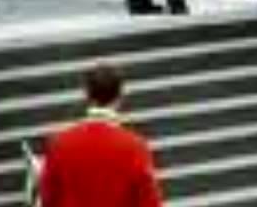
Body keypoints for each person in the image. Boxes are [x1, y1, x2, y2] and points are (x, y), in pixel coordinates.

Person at [38, 63, 164, 207]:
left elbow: (48, 200)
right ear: (120, 95)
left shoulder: (59, 144)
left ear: (86, 94)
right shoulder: (135, 147)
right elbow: (149, 203)